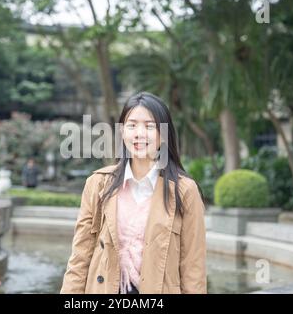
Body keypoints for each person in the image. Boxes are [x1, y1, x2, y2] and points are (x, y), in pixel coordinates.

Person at [60, 92, 207, 294]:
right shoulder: (98, 184)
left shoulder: (184, 191)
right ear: (122, 132)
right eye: (131, 125)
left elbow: (193, 268)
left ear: (163, 135)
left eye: (149, 126)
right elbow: (79, 257)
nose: (139, 133)